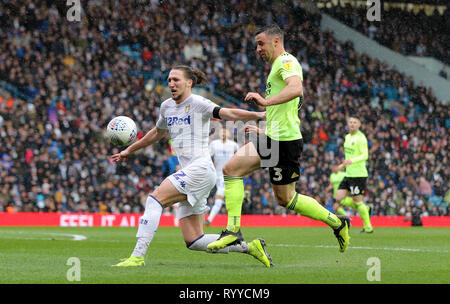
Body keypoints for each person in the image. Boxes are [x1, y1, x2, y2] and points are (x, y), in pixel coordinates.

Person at [207, 24, 351, 253]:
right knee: (231, 170)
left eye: (261, 43)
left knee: (286, 198)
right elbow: (287, 107)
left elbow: (296, 89)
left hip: (286, 143)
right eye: (256, 45)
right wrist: (263, 127)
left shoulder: (286, 62)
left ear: (276, 41)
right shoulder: (277, 66)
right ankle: (233, 232)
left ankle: (337, 222)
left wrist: (265, 102)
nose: (257, 49)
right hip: (272, 139)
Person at [110, 65, 272, 267]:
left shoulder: (199, 103)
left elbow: (228, 113)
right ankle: (250, 247)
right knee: (194, 240)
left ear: (189, 83)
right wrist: (129, 150)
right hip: (193, 172)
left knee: (154, 200)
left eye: (176, 79)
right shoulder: (166, 106)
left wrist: (259, 116)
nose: (171, 84)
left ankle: (137, 256)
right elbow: (157, 132)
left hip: (200, 169)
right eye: (169, 80)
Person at [335, 116, 373, 233]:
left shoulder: (361, 138)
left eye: (355, 122)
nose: (352, 124)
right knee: (339, 198)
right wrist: (342, 166)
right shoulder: (347, 137)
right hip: (348, 174)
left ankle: (368, 226)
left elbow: (365, 155)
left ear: (359, 125)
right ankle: (364, 209)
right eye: (350, 122)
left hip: (358, 175)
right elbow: (348, 158)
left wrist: (353, 161)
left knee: (357, 200)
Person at [205, 127, 239, 226]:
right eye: (222, 132)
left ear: (228, 134)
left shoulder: (234, 145)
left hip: (227, 175)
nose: (223, 134)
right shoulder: (214, 144)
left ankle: (209, 219)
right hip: (215, 174)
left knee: (219, 196)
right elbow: (208, 158)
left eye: (225, 132)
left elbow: (239, 159)